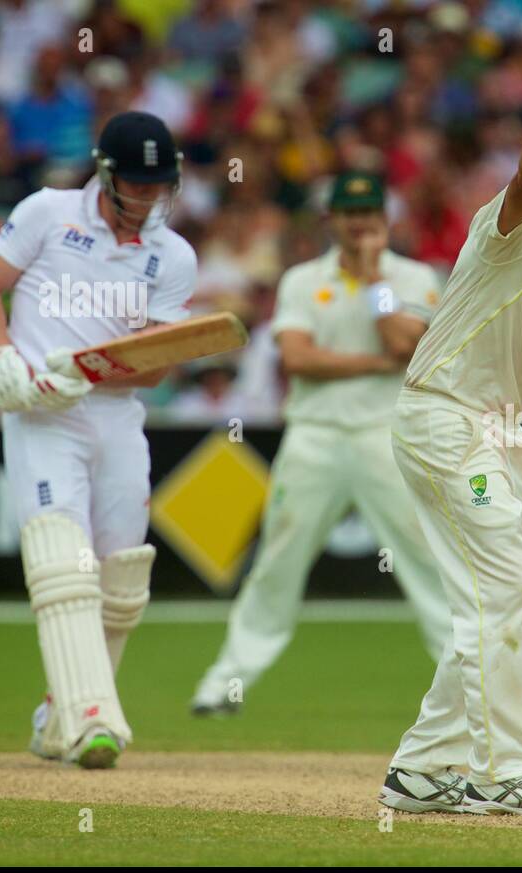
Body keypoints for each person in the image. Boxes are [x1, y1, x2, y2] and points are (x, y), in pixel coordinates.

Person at [377, 35, 522, 816]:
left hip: (503, 435)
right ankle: (506, 770)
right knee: (502, 589)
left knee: (501, 597)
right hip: (444, 417)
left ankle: (420, 768)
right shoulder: (513, 226)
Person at [0, 111, 197, 768]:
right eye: (137, 185)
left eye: (160, 186)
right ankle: (92, 721)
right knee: (63, 563)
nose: (149, 198)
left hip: (117, 417)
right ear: (105, 173)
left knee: (122, 578)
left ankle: (54, 713)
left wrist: (87, 368)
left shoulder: (173, 255)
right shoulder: (48, 211)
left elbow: (155, 363)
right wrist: (5, 357)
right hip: (43, 415)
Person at [190, 171, 453, 716]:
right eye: (350, 214)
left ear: (386, 219)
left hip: (387, 436)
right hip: (314, 436)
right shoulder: (302, 280)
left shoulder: (414, 277)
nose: (360, 224)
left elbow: (405, 345)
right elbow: (297, 358)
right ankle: (225, 682)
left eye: (370, 214)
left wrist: (376, 280)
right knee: (278, 560)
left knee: (426, 558)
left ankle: (466, 679)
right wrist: (374, 364)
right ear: (332, 219)